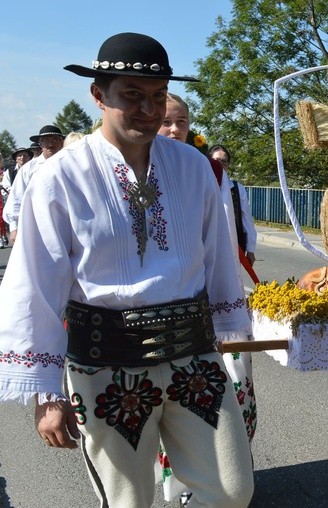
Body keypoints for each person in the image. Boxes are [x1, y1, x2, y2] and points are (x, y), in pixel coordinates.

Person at [0, 32, 254, 507]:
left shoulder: (193, 167)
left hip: (192, 356)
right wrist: (46, 393)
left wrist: (231, 333)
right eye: (132, 96)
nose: (150, 110)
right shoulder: (60, 177)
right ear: (99, 96)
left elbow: (218, 255)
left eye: (158, 97)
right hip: (106, 363)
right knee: (128, 501)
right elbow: (34, 284)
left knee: (231, 489)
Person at [157, 92, 257, 505]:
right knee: (176, 401)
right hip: (167, 313)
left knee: (235, 386)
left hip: (218, 296)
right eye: (166, 122)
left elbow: (234, 230)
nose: (173, 129)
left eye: (180, 121)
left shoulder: (209, 171)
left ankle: (232, 471)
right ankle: (180, 484)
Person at [3, 126, 65, 246]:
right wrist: (14, 228)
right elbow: (17, 198)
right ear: (40, 144)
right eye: (46, 140)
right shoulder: (29, 169)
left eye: (54, 139)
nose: (50, 144)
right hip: (38, 225)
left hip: (67, 223)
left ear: (62, 142)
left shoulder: (71, 164)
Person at [208, 144, 258, 265]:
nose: (220, 165)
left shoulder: (237, 189)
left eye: (224, 162)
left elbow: (246, 218)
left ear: (228, 166)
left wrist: (250, 249)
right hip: (206, 246)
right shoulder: (201, 185)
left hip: (231, 248)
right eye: (216, 161)